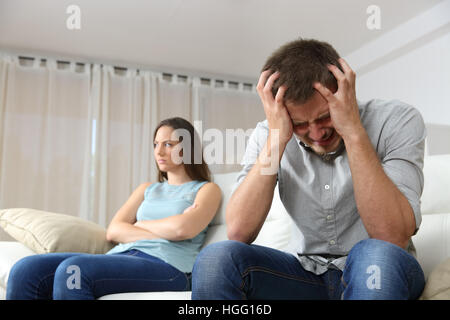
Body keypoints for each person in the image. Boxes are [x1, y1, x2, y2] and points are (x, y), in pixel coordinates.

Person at [191, 38, 426, 300]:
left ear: (345, 93)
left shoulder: (397, 120)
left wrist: (352, 131)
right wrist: (278, 136)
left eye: (325, 117)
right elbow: (238, 231)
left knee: (375, 253)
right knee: (216, 259)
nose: (316, 133)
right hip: (304, 275)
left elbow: (389, 235)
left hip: (377, 270)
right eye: (300, 123)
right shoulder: (270, 134)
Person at [6, 117, 221, 300]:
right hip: (123, 254)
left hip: (170, 266)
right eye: (155, 144)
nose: (159, 151)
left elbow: (182, 230)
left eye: (168, 144)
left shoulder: (207, 189)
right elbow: (114, 230)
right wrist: (166, 226)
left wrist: (140, 224)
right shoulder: (147, 189)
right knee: (26, 270)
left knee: (74, 271)